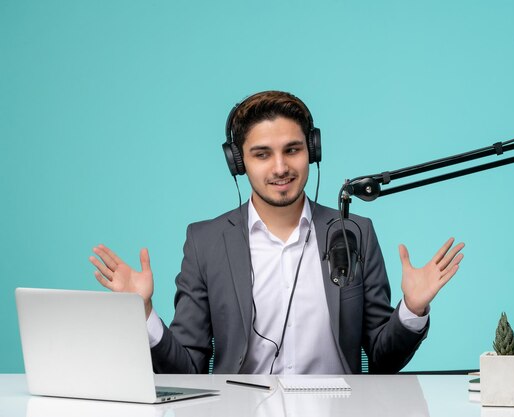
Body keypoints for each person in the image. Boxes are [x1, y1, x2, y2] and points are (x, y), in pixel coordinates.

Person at [89, 90, 464, 374]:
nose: (281, 167)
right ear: (239, 162)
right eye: (262, 153)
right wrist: (143, 312)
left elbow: (382, 360)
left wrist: (412, 310)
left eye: (293, 149)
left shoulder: (354, 232)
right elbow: (188, 369)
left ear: (312, 151)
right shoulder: (205, 242)